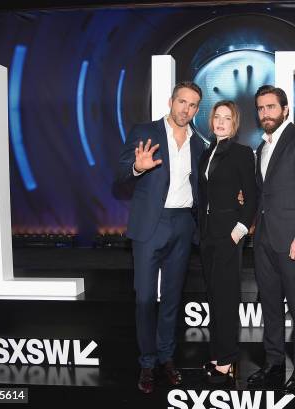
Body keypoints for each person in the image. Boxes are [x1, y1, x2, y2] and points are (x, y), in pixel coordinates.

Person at [116, 81, 205, 394]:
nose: (186, 109)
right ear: (171, 101)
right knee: (144, 298)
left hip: (183, 224)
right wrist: (137, 168)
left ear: (197, 109)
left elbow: (204, 188)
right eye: (182, 102)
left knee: (171, 298)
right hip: (150, 225)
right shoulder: (144, 131)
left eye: (193, 105)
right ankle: (147, 362)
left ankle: (166, 358)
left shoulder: (198, 143)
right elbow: (120, 172)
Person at [247, 85, 295, 392]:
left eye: (271, 107)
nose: (265, 113)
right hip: (264, 240)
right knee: (270, 305)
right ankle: (274, 364)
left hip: (293, 240)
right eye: (261, 108)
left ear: (285, 109)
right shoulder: (260, 147)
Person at [198, 100, 256, 384]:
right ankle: (217, 354)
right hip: (207, 235)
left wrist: (240, 229)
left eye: (227, 118)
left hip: (229, 234)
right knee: (213, 297)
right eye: (217, 117)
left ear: (235, 124)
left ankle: (227, 361)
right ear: (211, 121)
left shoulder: (242, 153)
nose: (221, 122)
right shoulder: (207, 152)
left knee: (226, 298)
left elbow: (252, 196)